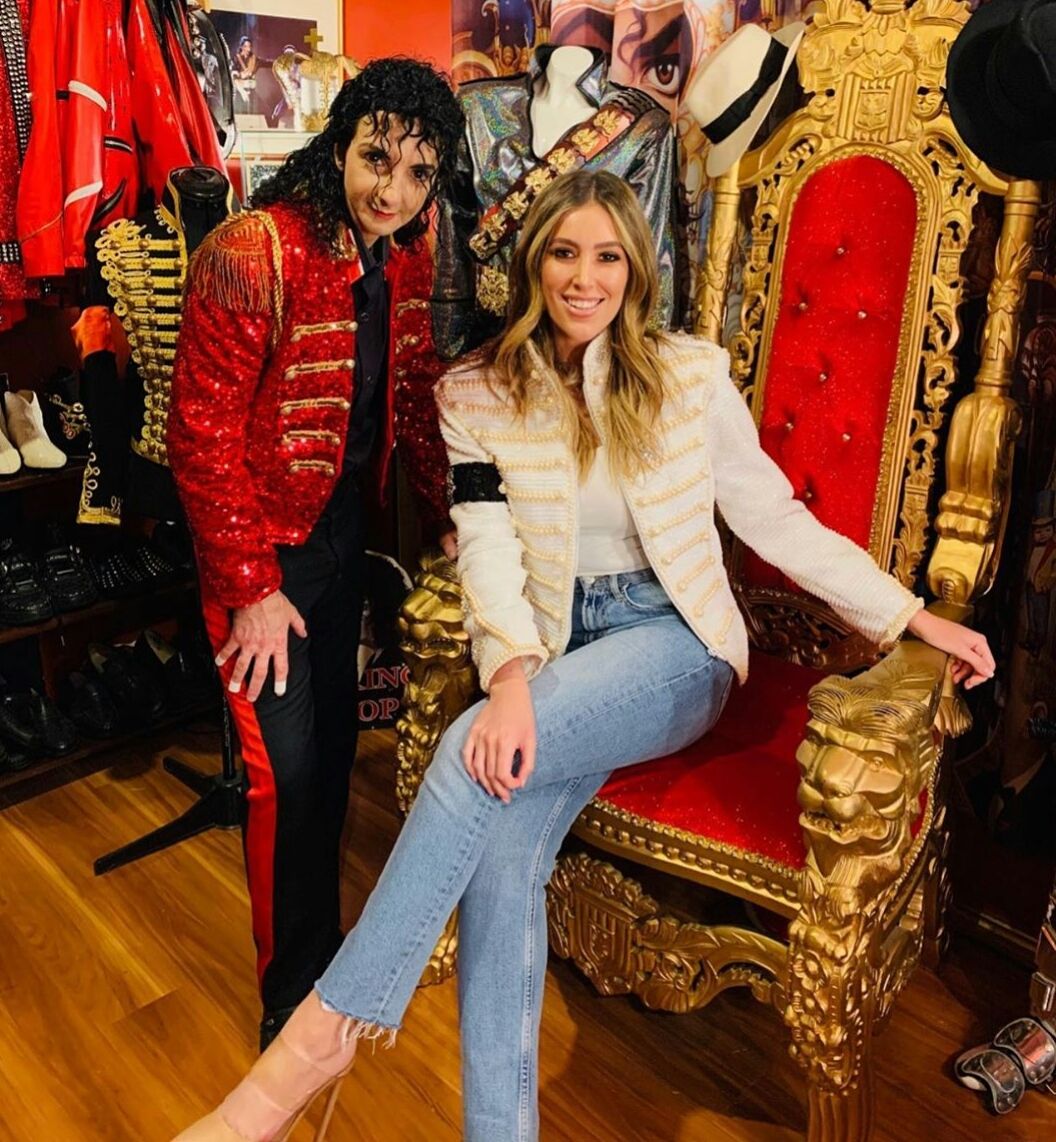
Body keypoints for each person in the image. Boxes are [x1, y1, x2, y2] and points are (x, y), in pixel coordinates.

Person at [173, 169, 996, 1142]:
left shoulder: (689, 376)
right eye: (565, 253)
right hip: (553, 644)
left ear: (635, 269)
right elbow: (485, 544)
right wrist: (511, 675)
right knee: (502, 852)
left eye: (607, 256)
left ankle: (318, 1038)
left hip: (673, 643)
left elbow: (775, 519)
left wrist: (908, 615)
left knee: (466, 752)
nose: (584, 277)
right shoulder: (477, 391)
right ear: (535, 264)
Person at [167, 58, 462, 1052]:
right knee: (283, 779)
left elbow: (413, 396)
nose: (392, 188)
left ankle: (322, 962)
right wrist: (251, 588)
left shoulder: (404, 256)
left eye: (417, 173)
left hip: (342, 542)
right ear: (340, 143)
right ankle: (290, 1004)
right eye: (377, 157)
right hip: (267, 565)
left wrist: (449, 513)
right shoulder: (253, 251)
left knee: (333, 757)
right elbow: (201, 436)